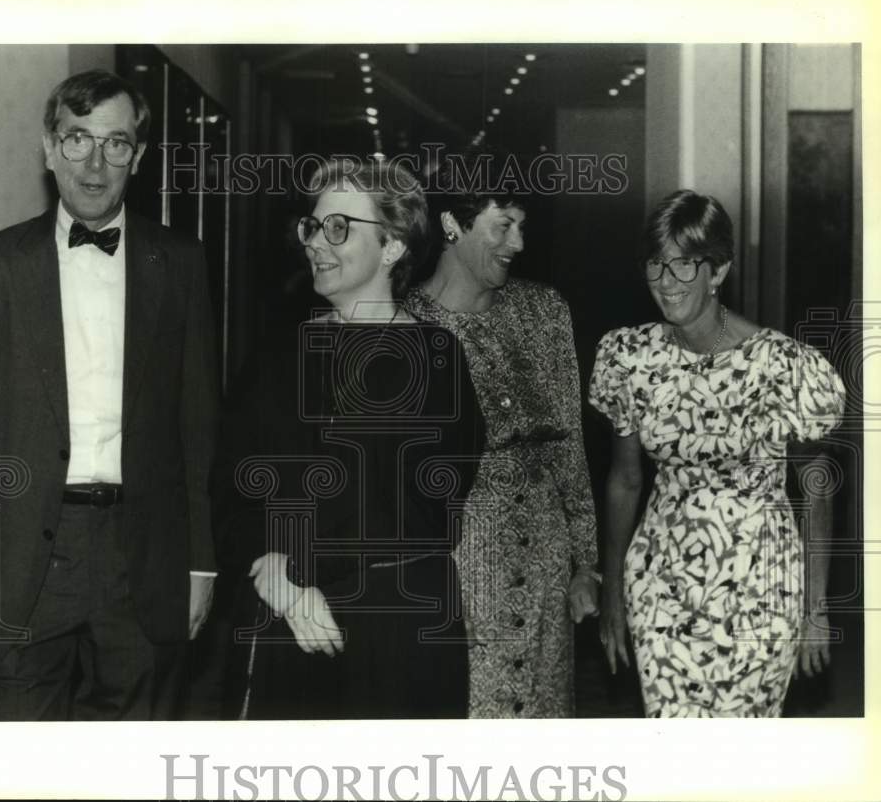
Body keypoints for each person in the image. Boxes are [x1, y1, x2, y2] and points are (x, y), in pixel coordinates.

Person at [0, 69, 218, 720]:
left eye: (115, 143)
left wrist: (201, 566)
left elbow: (198, 428)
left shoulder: (182, 264)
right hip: (20, 556)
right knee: (22, 765)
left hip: (140, 558)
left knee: (131, 763)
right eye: (77, 138)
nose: (94, 162)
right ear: (49, 148)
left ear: (137, 158)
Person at [217, 159, 484, 719]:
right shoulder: (276, 356)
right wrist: (275, 576)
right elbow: (229, 484)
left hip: (398, 628)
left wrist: (292, 572)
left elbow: (411, 511)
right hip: (291, 618)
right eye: (312, 227)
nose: (317, 242)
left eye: (339, 228)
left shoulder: (437, 361)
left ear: (392, 248)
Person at [588, 189, 846, 717]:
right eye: (656, 265)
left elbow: (818, 489)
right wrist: (612, 591)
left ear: (719, 270)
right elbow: (625, 481)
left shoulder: (783, 366)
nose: (667, 282)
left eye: (685, 265)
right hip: (660, 585)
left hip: (761, 590)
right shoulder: (629, 357)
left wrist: (815, 609)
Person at [404, 158, 599, 718]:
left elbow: (569, 444)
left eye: (523, 226)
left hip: (544, 551)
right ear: (451, 225)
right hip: (463, 555)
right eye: (503, 225)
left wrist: (585, 562)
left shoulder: (544, 311)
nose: (518, 242)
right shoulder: (406, 324)